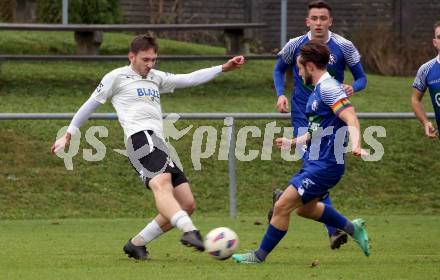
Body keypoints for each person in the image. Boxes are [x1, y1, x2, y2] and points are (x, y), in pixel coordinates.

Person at [51, 35, 245, 260]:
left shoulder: (156, 77)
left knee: (186, 203)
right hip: (139, 139)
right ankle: (190, 231)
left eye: (153, 59)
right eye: (145, 59)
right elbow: (89, 105)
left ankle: (136, 243)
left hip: (157, 142)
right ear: (131, 56)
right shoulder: (116, 77)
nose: (150, 64)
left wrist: (223, 67)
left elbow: (189, 78)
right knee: (162, 184)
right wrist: (69, 134)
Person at [232, 40, 370, 264]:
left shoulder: (328, 88)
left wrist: (356, 144)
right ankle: (352, 228)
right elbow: (318, 129)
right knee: (305, 210)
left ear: (310, 66)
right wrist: (294, 141)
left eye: (299, 66)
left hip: (325, 165)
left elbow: (350, 116)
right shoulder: (319, 89)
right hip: (318, 163)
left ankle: (258, 256)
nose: (297, 71)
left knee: (281, 206)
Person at [269, 0, 367, 250]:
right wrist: (281, 93)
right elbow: (279, 69)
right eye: (315, 18)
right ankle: (334, 228)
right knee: (314, 166)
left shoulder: (344, 46)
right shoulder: (294, 45)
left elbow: (362, 78)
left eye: (324, 18)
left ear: (330, 21)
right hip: (303, 117)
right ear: (308, 21)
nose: (319, 22)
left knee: (315, 169)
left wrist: (351, 88)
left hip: (329, 117)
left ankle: (286, 200)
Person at [412, 21, 440, 139]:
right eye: (439, 37)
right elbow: (415, 100)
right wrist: (425, 122)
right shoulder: (426, 69)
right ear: (435, 42)